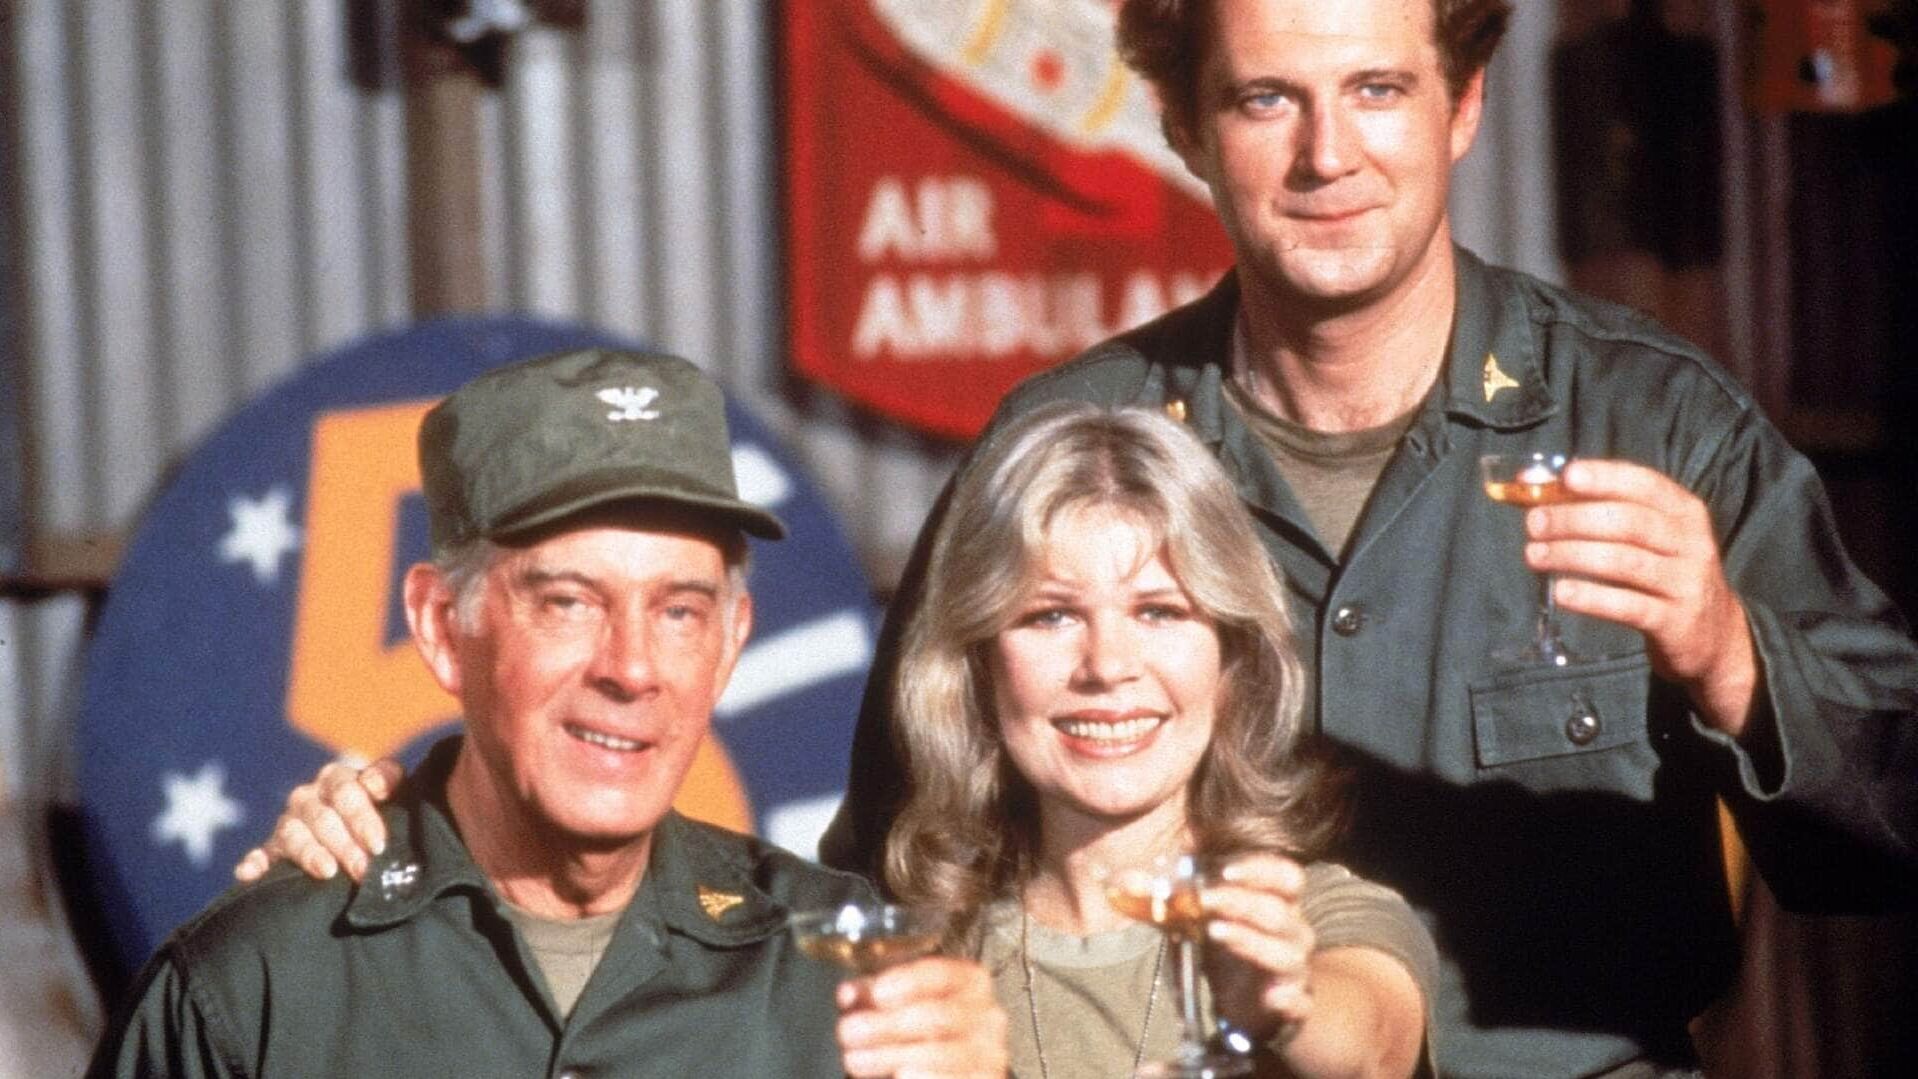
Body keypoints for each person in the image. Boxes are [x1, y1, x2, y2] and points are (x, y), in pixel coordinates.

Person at [814, 0, 1918, 1076]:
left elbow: (1889, 840)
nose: (1327, 155)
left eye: (1377, 89)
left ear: (1462, 105)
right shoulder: (1065, 446)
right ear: (1184, 128)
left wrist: (1731, 658)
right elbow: (898, 859)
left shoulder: (1653, 421)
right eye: (1266, 100)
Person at [241, 402, 1441, 1079]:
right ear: (974, 657)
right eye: (1048, 615)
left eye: (1163, 612)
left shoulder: (1319, 920)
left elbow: (1370, 1040)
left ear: (1234, 657)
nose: (1107, 664)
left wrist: (1275, 1007)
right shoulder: (882, 948)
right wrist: (389, 837)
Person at [89, 348, 1007, 1079]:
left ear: (732, 641)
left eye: (679, 611)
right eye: (569, 602)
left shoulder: (851, 982)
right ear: (441, 626)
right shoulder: (255, 990)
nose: (631, 668)